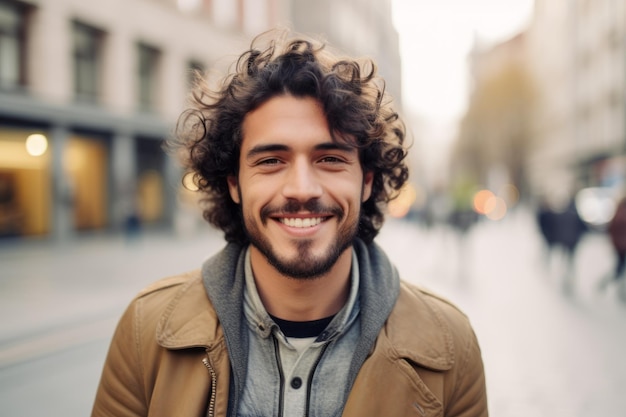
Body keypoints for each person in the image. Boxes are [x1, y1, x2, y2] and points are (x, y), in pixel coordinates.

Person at [91, 30, 488, 417]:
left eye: (330, 159)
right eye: (271, 161)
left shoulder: (449, 344)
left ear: (366, 181)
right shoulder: (146, 330)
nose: (301, 189)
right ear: (234, 183)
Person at [598, 196, 626, 301]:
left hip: (621, 246)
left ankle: (621, 291)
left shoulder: (619, 213)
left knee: (621, 270)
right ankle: (603, 284)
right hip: (621, 247)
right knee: (618, 271)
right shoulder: (620, 214)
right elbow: (613, 231)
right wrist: (617, 244)